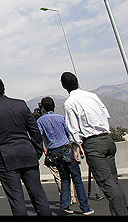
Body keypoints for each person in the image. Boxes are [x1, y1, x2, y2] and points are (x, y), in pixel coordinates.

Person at [0, 76, 51, 216]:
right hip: (27, 153)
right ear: (3, 87)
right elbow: (34, 130)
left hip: (6, 158)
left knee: (16, 199)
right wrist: (37, 151)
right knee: (38, 195)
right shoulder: (21, 104)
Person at [61, 71, 128, 216]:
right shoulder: (92, 96)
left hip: (93, 144)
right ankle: (122, 209)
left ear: (63, 86)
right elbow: (106, 114)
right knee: (114, 181)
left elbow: (73, 129)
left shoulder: (70, 103)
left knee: (108, 184)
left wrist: (75, 149)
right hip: (107, 140)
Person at [36, 96, 94, 215]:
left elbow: (39, 136)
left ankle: (64, 205)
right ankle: (85, 207)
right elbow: (71, 135)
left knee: (64, 179)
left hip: (54, 152)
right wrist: (76, 149)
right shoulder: (61, 118)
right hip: (66, 149)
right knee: (77, 179)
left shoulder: (40, 121)